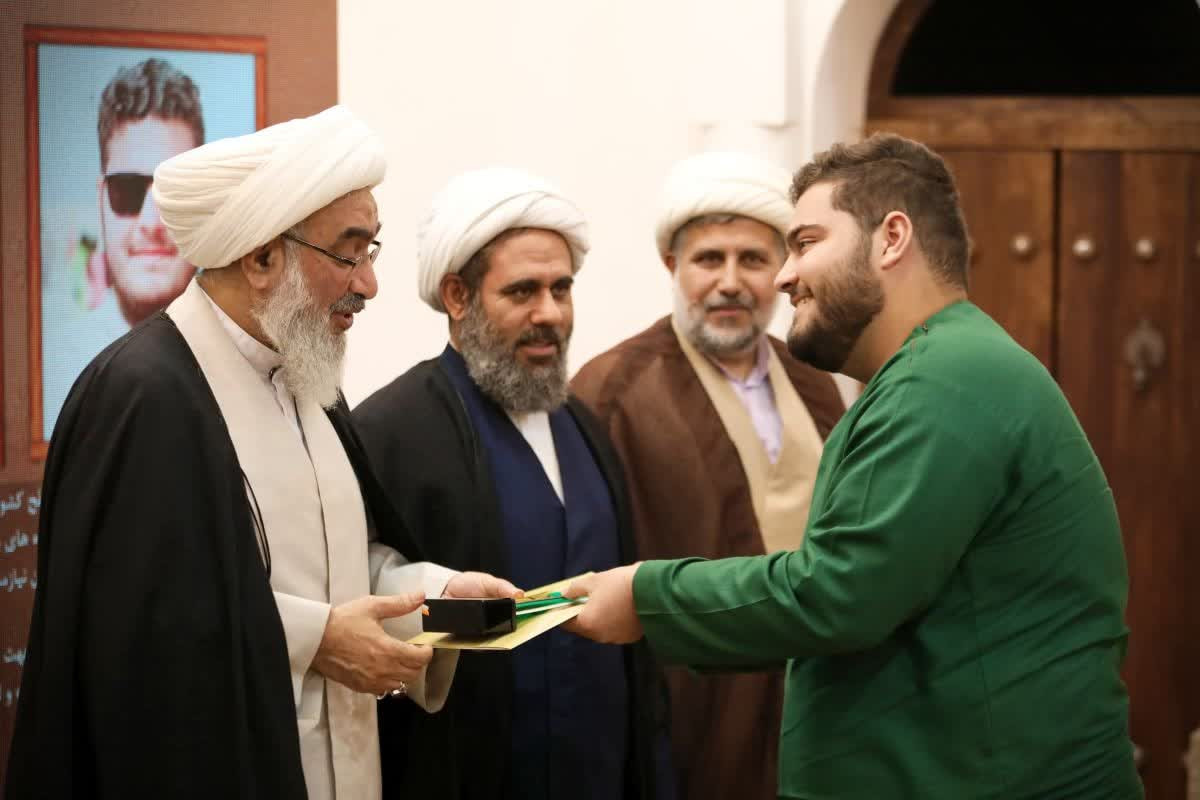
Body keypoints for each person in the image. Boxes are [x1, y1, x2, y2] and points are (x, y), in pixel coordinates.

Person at [565, 133, 1142, 799]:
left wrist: (646, 597)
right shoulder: (931, 371)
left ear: (891, 238)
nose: (783, 276)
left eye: (805, 243)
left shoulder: (943, 380)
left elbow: (839, 593)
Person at [7, 106, 518, 800]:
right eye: (349, 253)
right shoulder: (143, 395)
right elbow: (139, 633)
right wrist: (317, 640)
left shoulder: (309, 378)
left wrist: (440, 600)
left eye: (372, 250)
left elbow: (341, 570)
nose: (368, 283)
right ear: (261, 258)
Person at [353, 167, 670, 800]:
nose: (549, 314)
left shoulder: (584, 425)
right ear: (457, 296)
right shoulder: (391, 429)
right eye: (523, 291)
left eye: (562, 289)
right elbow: (363, 604)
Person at [570, 151, 844, 800]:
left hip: (822, 693)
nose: (730, 282)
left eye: (752, 260)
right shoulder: (612, 390)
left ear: (782, 269)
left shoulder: (813, 377)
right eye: (708, 259)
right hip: (691, 704)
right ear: (672, 266)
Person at [42, 58, 208, 438]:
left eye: (174, 191)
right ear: (101, 200)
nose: (152, 222)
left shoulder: (252, 364)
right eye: (128, 190)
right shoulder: (58, 363)